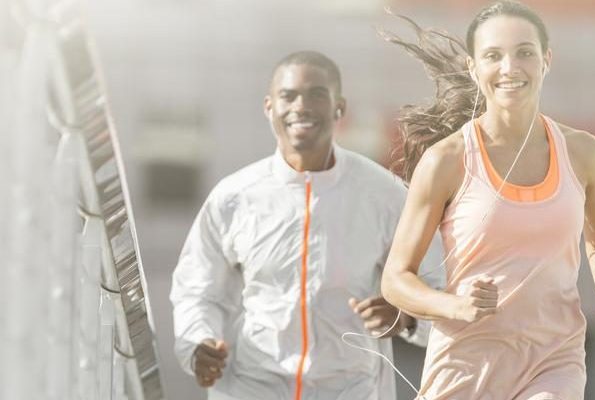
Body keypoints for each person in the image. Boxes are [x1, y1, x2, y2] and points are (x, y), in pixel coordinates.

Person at [379, 1, 595, 399]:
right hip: (465, 366)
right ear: (473, 67)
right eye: (493, 56)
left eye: (525, 53)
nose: (510, 67)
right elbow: (395, 280)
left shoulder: (584, 154)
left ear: (546, 60)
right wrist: (454, 305)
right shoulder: (446, 161)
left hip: (553, 362)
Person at [170, 50, 443, 400]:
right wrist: (197, 342)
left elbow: (439, 285)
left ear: (339, 108)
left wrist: (405, 317)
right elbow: (197, 289)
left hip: (351, 388)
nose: (301, 106)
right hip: (252, 386)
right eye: (288, 96)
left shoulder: (384, 195)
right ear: (269, 107)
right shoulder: (234, 196)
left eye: (317, 94)